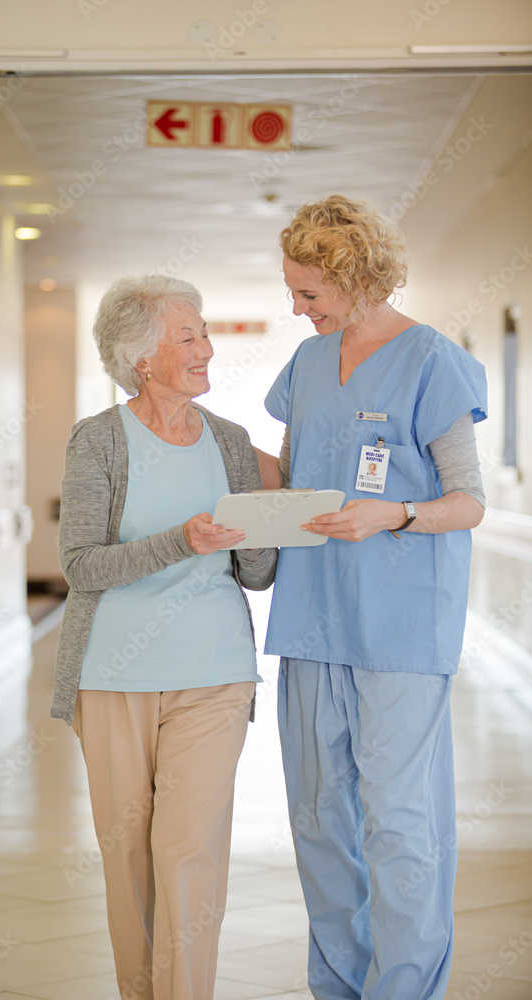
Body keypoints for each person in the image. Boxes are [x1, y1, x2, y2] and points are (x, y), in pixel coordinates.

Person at [256, 195, 487, 1000]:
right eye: (291, 291)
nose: (296, 308)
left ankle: (404, 988)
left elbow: (466, 500)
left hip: (399, 626)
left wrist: (397, 512)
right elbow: (289, 478)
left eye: (308, 293)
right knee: (320, 821)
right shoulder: (307, 364)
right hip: (311, 620)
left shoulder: (430, 359)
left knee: (398, 822)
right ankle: (339, 987)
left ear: (355, 279)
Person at [51, 274, 277, 1000]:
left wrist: (276, 519)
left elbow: (255, 572)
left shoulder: (231, 442)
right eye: (188, 336)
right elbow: (80, 565)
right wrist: (179, 541)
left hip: (214, 673)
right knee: (131, 864)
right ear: (140, 357)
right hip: (111, 676)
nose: (207, 349)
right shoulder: (97, 441)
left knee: (188, 854)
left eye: (204, 333)